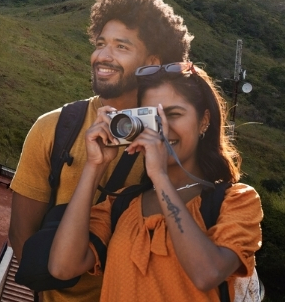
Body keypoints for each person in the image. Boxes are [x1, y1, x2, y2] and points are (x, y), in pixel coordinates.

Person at [10, 0, 192, 302]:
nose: (102, 56)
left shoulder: (173, 142)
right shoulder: (52, 129)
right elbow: (22, 237)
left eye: (121, 46)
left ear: (152, 62)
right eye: (100, 43)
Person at [48, 63, 262, 301]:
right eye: (152, 118)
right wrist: (94, 166)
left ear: (204, 121)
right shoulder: (122, 204)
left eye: (173, 115)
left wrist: (159, 176)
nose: (162, 129)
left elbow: (207, 274)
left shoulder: (236, 201)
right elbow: (62, 267)